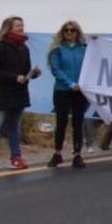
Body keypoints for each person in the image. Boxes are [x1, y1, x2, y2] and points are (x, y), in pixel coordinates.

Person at [0, 16, 42, 172]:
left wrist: (33, 74)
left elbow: (26, 70)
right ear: (9, 28)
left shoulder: (24, 48)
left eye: (22, 25)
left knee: (14, 128)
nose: (21, 27)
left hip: (19, 94)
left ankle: (16, 158)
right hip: (1, 93)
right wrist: (14, 77)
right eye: (18, 25)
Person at [46, 20, 89, 169]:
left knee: (78, 123)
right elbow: (56, 69)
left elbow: (93, 62)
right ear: (62, 32)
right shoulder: (57, 49)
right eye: (67, 30)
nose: (70, 33)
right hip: (62, 90)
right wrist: (70, 83)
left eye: (73, 30)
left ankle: (77, 155)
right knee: (61, 122)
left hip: (80, 91)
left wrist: (97, 41)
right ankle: (57, 153)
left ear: (78, 32)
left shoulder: (84, 48)